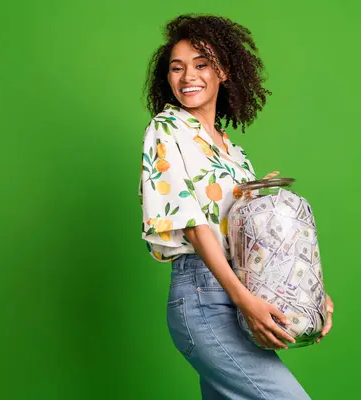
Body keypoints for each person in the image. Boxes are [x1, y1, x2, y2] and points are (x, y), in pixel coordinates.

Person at [138, 14, 334, 399]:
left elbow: (257, 243)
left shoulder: (234, 154)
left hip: (238, 292)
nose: (187, 76)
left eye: (201, 65)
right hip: (204, 298)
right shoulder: (168, 128)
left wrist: (309, 292)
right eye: (177, 68)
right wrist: (244, 301)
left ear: (224, 71)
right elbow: (193, 225)